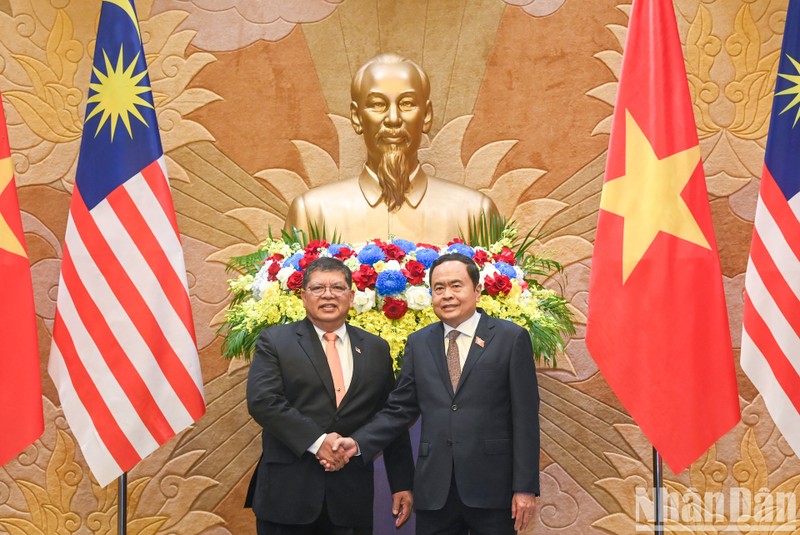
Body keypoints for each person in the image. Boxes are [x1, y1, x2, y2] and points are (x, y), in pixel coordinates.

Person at [330, 253, 540, 535]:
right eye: (439, 288)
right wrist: (358, 443)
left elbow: (525, 419)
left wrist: (524, 487)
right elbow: (399, 410)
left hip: (493, 488)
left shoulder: (510, 338)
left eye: (456, 286)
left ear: (477, 291)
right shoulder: (419, 343)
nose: (447, 295)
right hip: (435, 490)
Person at [245, 257, 414, 535]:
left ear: (351, 295)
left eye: (337, 287)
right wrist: (317, 441)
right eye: (317, 288)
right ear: (303, 296)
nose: (327, 295)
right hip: (287, 495)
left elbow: (390, 416)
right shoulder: (275, 341)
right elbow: (264, 401)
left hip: (350, 497)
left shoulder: (375, 348)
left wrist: (402, 482)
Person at [283, 53, 499, 244]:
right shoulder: (312, 213)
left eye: (407, 104)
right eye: (378, 104)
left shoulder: (475, 214)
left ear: (426, 116)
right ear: (357, 117)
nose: (393, 119)